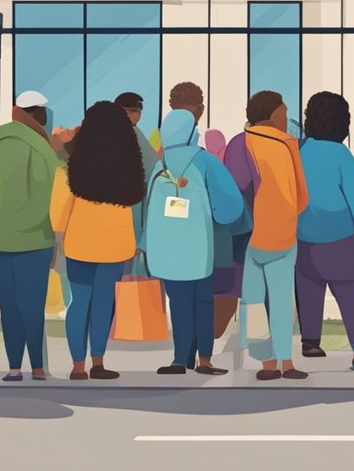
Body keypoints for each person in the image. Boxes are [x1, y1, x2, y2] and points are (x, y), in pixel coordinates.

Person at [295, 92, 354, 371]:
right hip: (340, 242)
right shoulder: (340, 154)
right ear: (342, 122)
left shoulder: (300, 150)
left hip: (304, 241)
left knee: (308, 286)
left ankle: (310, 339)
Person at [51, 101, 146, 381]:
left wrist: (58, 237)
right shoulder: (128, 165)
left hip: (80, 243)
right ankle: (99, 362)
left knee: (79, 302)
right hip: (116, 245)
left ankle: (77, 366)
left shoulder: (74, 165)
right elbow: (136, 200)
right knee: (104, 303)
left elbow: (59, 211)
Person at [145, 109, 243, 376]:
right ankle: (205, 360)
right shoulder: (206, 162)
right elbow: (229, 207)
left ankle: (180, 359)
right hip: (200, 247)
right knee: (203, 301)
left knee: (178, 303)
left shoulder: (159, 165)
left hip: (166, 250)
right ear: (191, 132)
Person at [225, 90, 309, 381]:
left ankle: (266, 364)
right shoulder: (288, 144)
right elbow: (301, 195)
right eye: (283, 113)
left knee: (255, 301)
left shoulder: (240, 143)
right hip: (284, 233)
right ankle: (287, 361)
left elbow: (235, 190)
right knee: (283, 297)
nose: (286, 119)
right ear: (272, 114)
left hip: (251, 236)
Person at [0, 90, 61, 382]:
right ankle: (39, 368)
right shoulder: (45, 150)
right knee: (33, 305)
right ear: (40, 116)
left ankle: (14, 367)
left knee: (9, 305)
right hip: (37, 239)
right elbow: (55, 192)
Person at [114, 91, 159, 250]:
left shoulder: (112, 131)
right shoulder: (130, 132)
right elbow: (153, 168)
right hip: (132, 196)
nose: (138, 115)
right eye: (135, 111)